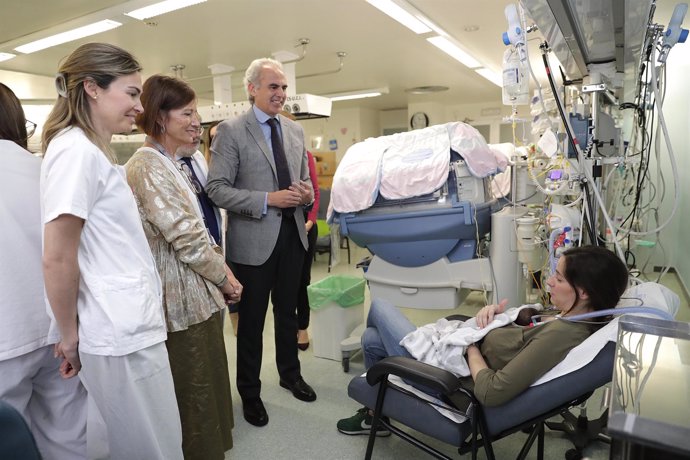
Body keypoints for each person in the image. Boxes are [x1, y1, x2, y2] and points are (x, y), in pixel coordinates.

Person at [40, 42, 183, 460]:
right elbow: (58, 256)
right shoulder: (75, 152)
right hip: (118, 332)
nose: (139, 105)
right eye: (132, 92)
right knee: (152, 447)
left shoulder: (90, 151)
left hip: (122, 326)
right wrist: (69, 337)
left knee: (123, 443)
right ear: (92, 88)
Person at [337, 245, 628, 436]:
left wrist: (471, 345)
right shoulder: (567, 314)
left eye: (559, 279)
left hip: (447, 381)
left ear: (585, 292)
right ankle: (376, 415)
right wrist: (494, 318)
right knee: (372, 339)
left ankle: (374, 416)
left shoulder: (563, 334)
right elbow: (521, 333)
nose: (549, 281)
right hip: (459, 356)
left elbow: (491, 392)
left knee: (379, 307)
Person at [125, 74, 241, 460]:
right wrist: (225, 277)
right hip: (180, 300)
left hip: (199, 292)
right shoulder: (146, 166)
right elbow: (188, 239)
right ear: (160, 117)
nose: (197, 122)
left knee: (209, 378)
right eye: (187, 113)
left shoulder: (177, 163)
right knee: (194, 390)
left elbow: (205, 224)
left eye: (197, 113)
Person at [206, 57, 316, 427]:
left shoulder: (294, 131)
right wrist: (268, 199)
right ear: (251, 89)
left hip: (293, 236)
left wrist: (305, 196)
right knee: (251, 322)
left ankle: (290, 373)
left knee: (289, 313)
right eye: (273, 86)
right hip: (253, 242)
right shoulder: (231, 131)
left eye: (284, 87)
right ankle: (249, 393)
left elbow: (306, 185)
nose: (281, 94)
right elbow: (217, 189)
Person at [0, 82, 88, 460]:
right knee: (68, 436)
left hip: (6, 337)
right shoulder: (43, 170)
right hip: (59, 330)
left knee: (10, 440)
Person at [297, 150, 320, 350]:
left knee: (303, 279)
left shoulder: (306, 156)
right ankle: (288, 329)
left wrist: (311, 221)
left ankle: (302, 327)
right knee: (282, 284)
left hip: (306, 225)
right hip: (279, 226)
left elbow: (316, 193)